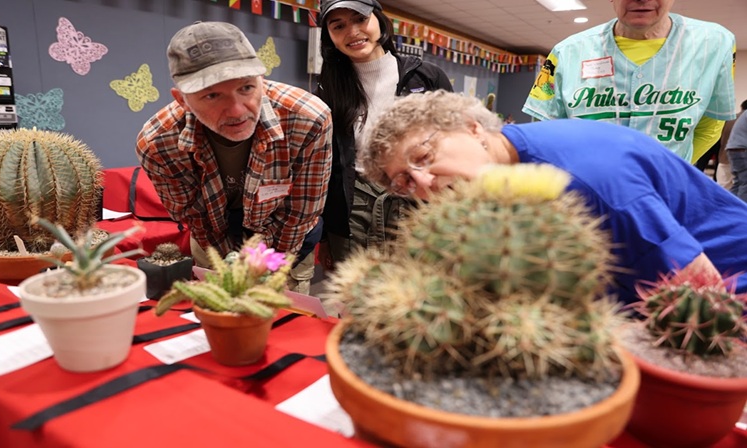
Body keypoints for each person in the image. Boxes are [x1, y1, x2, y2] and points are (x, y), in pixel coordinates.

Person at [360, 90, 747, 304]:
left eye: (423, 156)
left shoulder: (582, 180)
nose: (423, 182)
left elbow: (702, 298)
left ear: (473, 128)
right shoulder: (502, 175)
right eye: (403, 181)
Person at [136, 21, 333, 293]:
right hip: (215, 235)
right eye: (212, 95)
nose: (237, 111)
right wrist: (230, 272)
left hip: (286, 235)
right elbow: (198, 221)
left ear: (261, 80)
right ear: (182, 100)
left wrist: (267, 270)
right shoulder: (159, 144)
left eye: (246, 88)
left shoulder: (308, 119)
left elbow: (299, 213)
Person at [315, 0, 452, 268]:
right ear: (329, 36)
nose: (352, 31)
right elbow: (326, 164)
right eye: (338, 26)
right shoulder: (328, 87)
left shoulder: (425, 77)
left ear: (379, 19)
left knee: (411, 283)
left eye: (360, 19)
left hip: (415, 199)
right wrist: (326, 234)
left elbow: (452, 144)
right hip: (353, 205)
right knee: (354, 286)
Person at [522, 0, 737, 164]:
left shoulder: (715, 45)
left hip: (666, 195)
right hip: (585, 196)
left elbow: (710, 127)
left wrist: (671, 172)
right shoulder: (565, 53)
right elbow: (545, 132)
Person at [726, 99, 747, 202]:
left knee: (738, 183)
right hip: (742, 150)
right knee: (745, 184)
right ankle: (743, 210)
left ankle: (727, 207)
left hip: (734, 149)